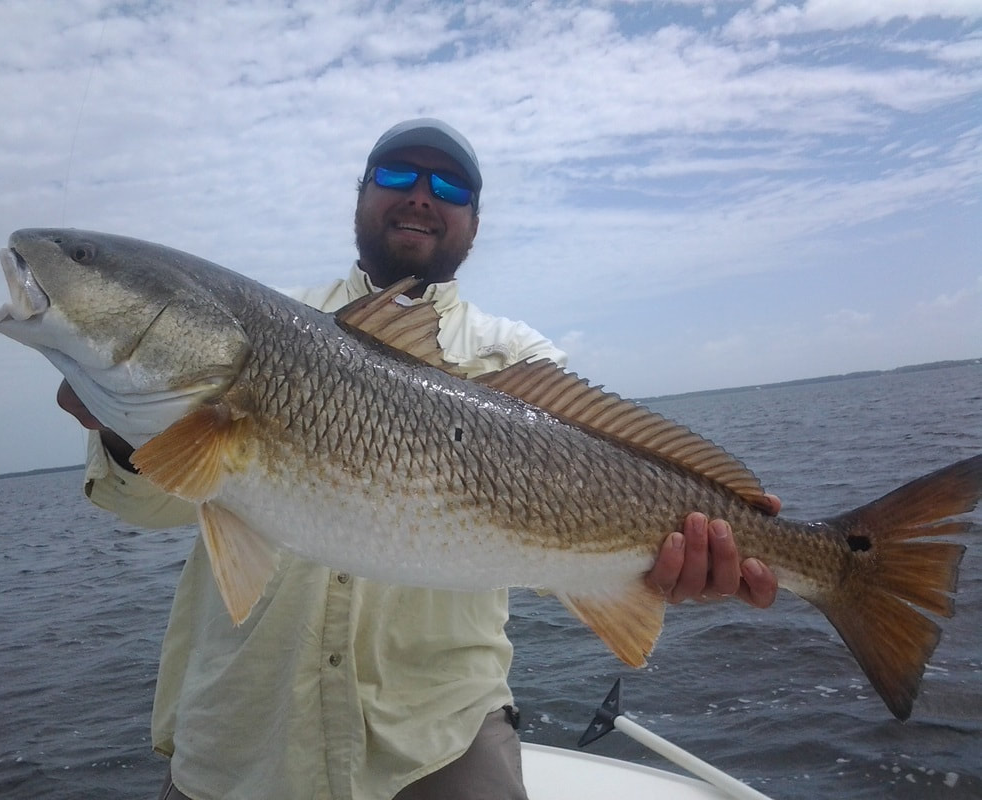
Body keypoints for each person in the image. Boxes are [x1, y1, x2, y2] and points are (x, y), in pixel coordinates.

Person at [58, 118, 779, 800]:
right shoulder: (259, 325)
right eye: (398, 172)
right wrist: (128, 426)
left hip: (441, 740)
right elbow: (146, 504)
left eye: (452, 186)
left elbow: (590, 513)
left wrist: (672, 562)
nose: (422, 195)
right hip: (246, 735)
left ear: (474, 220)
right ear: (362, 196)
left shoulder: (519, 362)